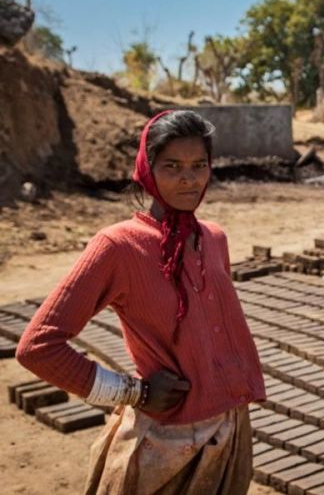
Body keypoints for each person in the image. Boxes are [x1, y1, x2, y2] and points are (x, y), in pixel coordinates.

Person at [16, 110, 266, 494]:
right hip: (166, 442)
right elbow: (38, 347)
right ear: (147, 170)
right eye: (172, 166)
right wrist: (133, 392)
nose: (189, 178)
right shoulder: (118, 246)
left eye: (200, 165)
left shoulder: (215, 239)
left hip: (232, 426)